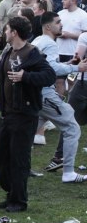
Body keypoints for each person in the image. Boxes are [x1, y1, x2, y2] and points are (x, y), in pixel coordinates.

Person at [0, 16, 55, 211]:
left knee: (19, 159)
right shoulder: (9, 51)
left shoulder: (32, 53)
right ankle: (11, 193)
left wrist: (26, 76)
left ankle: (19, 200)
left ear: (14, 32)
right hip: (7, 113)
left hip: (25, 114)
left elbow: (49, 76)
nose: (5, 33)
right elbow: (3, 77)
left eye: (7, 29)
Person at [32, 12, 87, 183]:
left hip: (36, 94)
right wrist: (77, 68)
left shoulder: (38, 41)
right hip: (45, 95)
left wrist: (67, 65)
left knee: (27, 133)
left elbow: (47, 65)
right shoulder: (49, 43)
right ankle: (68, 172)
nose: (61, 25)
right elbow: (51, 70)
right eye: (58, 22)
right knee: (72, 128)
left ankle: (19, 167)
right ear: (48, 26)